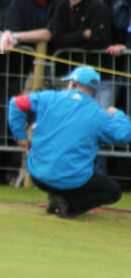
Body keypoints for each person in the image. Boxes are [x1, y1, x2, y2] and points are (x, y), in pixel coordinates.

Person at [8, 66, 131, 217]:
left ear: (72, 83)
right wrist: (118, 115)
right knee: (113, 192)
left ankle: (57, 197)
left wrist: (20, 136)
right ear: (94, 90)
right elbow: (124, 135)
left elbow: (16, 103)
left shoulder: (48, 98)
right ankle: (70, 206)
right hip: (73, 180)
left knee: (66, 174)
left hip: (37, 175)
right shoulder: (98, 115)